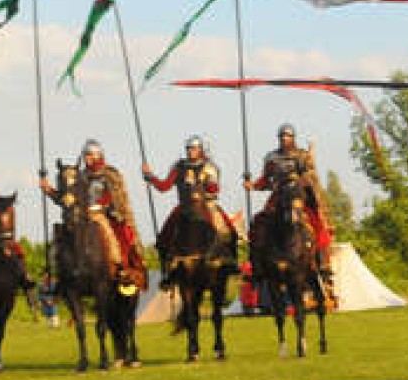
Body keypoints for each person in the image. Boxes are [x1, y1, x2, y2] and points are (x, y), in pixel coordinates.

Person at [244, 124, 334, 299]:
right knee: (258, 222)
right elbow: (266, 180)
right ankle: (257, 266)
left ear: (293, 138)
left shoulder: (301, 156)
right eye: (282, 137)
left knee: (317, 223)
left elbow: (310, 177)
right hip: (278, 197)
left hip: (298, 196)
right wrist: (253, 185)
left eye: (287, 136)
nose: (284, 139)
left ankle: (323, 264)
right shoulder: (272, 158)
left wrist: (302, 177)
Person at [142, 135, 239, 282]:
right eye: (188, 148)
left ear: (200, 150)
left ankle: (230, 262)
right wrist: (150, 176)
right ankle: (167, 270)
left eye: (193, 148)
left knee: (228, 230)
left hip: (207, 205)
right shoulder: (179, 167)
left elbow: (214, 189)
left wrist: (204, 184)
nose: (190, 151)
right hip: (184, 206)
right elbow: (164, 186)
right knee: (165, 234)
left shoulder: (209, 167)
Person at [67, 139, 145, 286]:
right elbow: (71, 196)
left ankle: (120, 264)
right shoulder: (81, 176)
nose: (87, 159)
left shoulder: (109, 174)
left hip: (105, 213)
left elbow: (113, 195)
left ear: (97, 155)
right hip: (84, 215)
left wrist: (98, 205)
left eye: (90, 155)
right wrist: (49, 190)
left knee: (118, 235)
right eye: (86, 155)